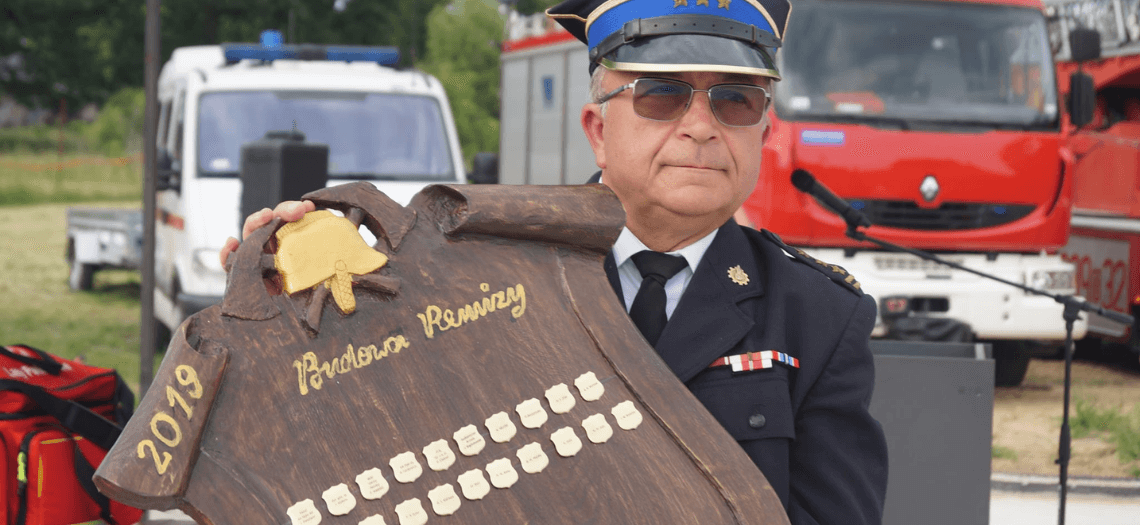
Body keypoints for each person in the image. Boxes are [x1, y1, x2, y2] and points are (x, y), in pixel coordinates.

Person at [222, 0, 888, 523]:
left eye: (735, 98)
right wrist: (279, 313)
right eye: (661, 94)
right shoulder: (474, 269)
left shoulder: (819, 317)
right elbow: (358, 445)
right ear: (599, 131)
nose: (701, 124)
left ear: (764, 133)